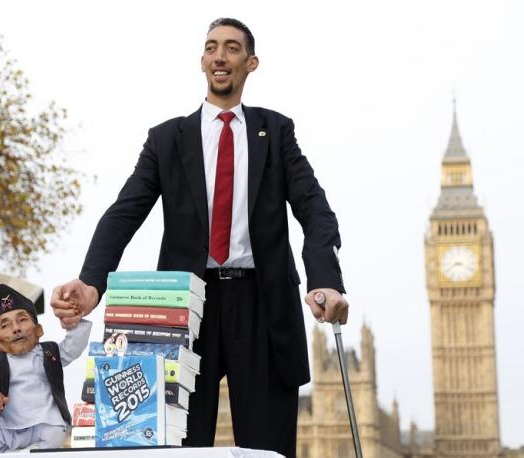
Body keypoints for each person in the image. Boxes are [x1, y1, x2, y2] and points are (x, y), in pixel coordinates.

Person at [51, 18, 348, 458]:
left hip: (263, 309)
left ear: (251, 63)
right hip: (182, 310)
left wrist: (325, 280)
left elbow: (315, 211)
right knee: (178, 448)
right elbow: (123, 214)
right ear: (202, 61)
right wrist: (92, 282)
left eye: (231, 48)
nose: (219, 56)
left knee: (266, 450)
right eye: (211, 47)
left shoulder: (277, 132)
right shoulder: (166, 139)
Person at [0, 284, 91, 452]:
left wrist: (73, 321)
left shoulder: (48, 353)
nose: (16, 328)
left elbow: (73, 347)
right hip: (5, 425)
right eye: (5, 326)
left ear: (39, 330)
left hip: (42, 422)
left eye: (22, 320)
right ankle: (18, 454)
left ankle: (28, 453)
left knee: (56, 433)